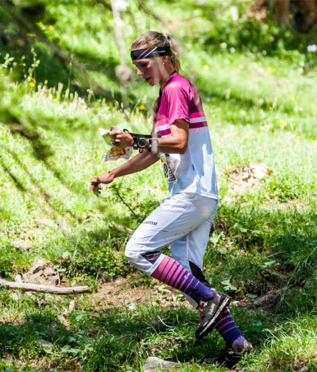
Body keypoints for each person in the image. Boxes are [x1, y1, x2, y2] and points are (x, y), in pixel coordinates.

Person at [91, 31, 253, 364]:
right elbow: (155, 151)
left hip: (192, 195)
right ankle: (238, 344)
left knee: (137, 250)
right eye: (136, 66)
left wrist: (133, 137)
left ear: (163, 59)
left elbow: (177, 141)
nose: (140, 72)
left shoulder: (176, 88)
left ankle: (212, 298)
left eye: (144, 64)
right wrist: (114, 173)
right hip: (198, 195)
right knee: (185, 274)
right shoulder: (167, 95)